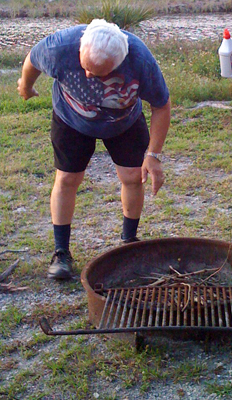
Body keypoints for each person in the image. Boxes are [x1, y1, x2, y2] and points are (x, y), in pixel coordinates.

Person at [17, 18, 171, 280]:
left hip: (124, 121)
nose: (88, 75)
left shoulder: (140, 61)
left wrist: (153, 155)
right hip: (71, 118)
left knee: (133, 177)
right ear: (80, 49)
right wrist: (26, 85)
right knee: (67, 179)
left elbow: (161, 106)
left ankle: (128, 242)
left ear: (120, 62)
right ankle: (61, 253)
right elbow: (32, 59)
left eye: (98, 73)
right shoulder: (60, 47)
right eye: (85, 67)